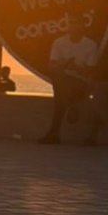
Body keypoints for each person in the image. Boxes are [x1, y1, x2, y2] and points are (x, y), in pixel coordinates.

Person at [39, 15, 98, 144]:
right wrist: (64, 63)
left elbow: (90, 71)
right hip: (62, 79)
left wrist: (75, 67)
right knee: (61, 82)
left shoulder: (90, 45)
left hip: (79, 81)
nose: (74, 26)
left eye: (77, 23)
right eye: (71, 23)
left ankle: (54, 132)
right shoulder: (59, 42)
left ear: (83, 26)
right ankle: (72, 105)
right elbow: (52, 65)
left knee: (60, 94)